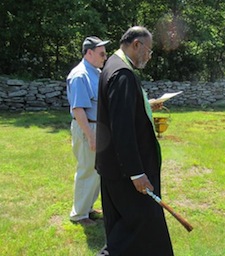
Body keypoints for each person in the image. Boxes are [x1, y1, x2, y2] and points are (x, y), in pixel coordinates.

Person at [95, 26, 174, 255]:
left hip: (114, 168)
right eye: (148, 51)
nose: (149, 57)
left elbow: (119, 113)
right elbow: (122, 129)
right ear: (136, 44)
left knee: (126, 228)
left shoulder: (112, 65)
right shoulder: (123, 74)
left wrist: (145, 106)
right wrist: (137, 173)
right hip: (126, 174)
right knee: (142, 230)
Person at [66, 36, 109, 227]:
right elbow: (78, 109)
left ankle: (88, 208)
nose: (105, 57)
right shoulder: (79, 75)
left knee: (96, 171)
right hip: (87, 127)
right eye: (101, 53)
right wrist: (91, 136)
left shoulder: (96, 72)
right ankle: (79, 215)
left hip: (97, 126)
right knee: (86, 170)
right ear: (89, 53)